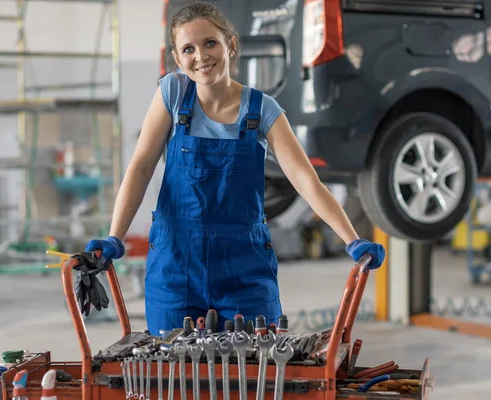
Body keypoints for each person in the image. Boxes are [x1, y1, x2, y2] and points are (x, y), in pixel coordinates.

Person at [85, 0, 385, 335]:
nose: (201, 57)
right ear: (177, 58)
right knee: (171, 378)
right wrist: (115, 237)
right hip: (175, 269)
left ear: (231, 44)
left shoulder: (261, 109)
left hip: (244, 272)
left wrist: (352, 240)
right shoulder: (171, 93)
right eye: (189, 49)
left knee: (255, 374)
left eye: (210, 42)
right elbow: (140, 167)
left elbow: (306, 181)